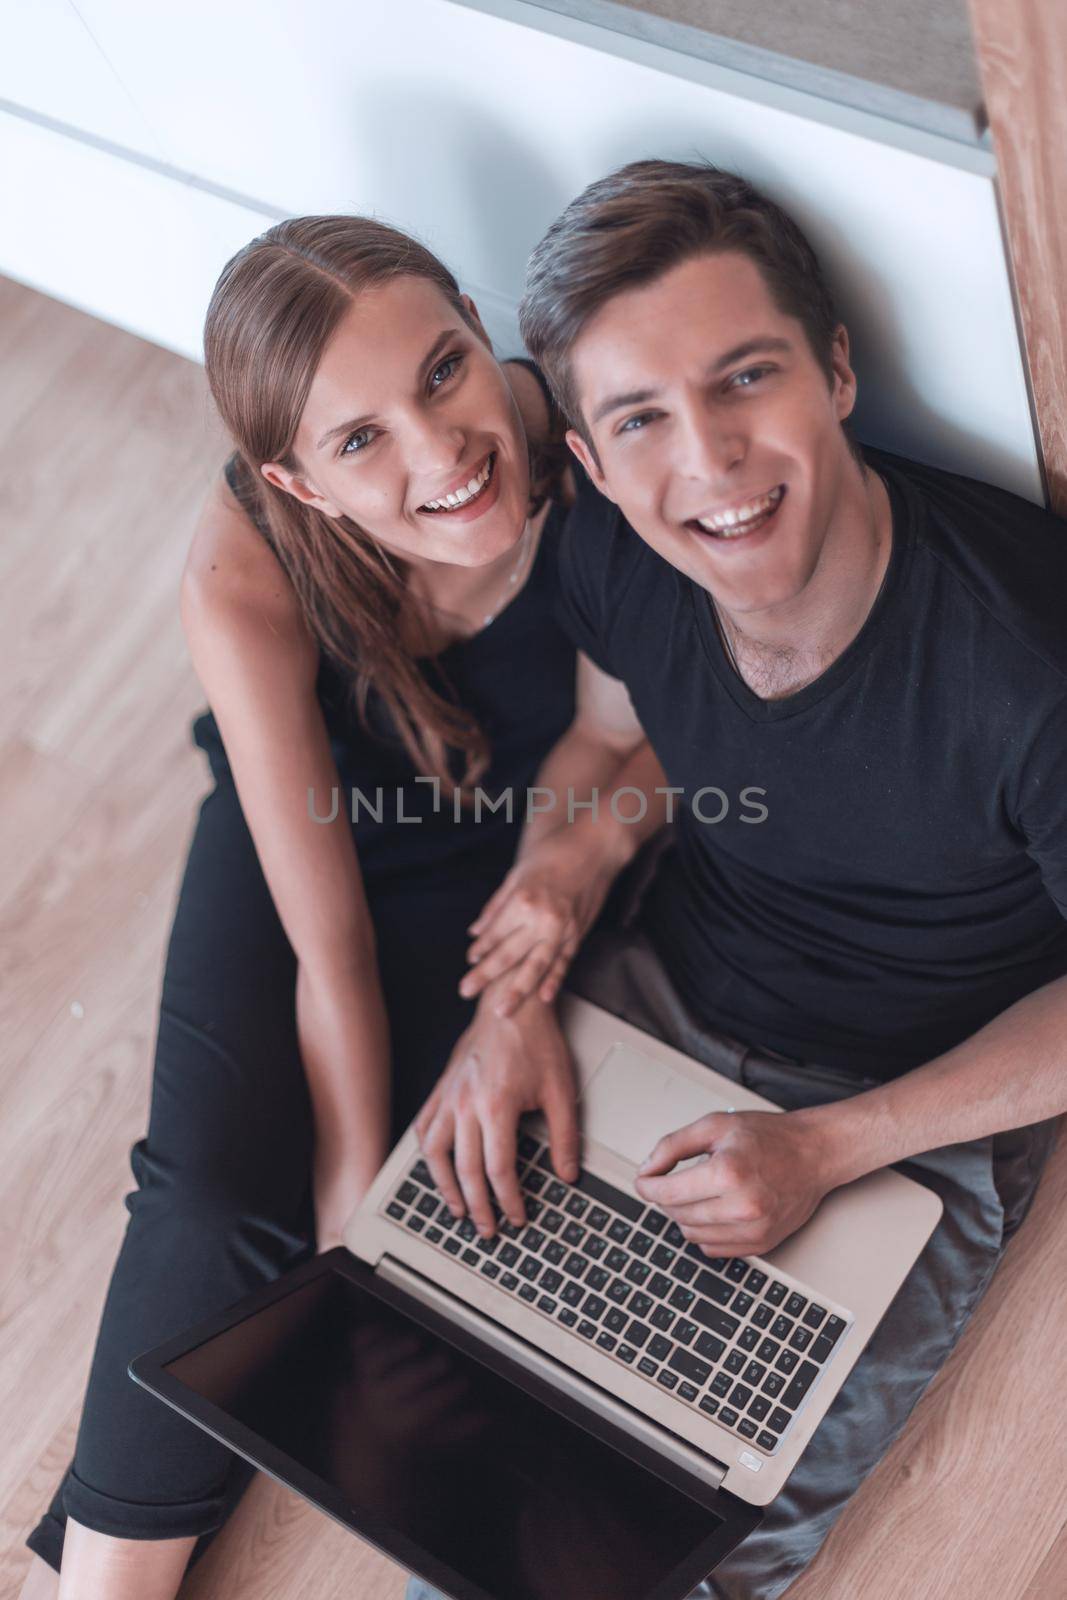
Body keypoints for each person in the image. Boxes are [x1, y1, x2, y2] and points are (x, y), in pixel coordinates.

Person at [410, 159, 1067, 1599]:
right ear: (585, 458)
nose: (705, 462)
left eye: (744, 379)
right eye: (640, 418)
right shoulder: (611, 554)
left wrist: (830, 1147)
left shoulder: (1029, 660)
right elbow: (606, 730)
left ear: (836, 373)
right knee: (438, 1435)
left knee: (674, 1554)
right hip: (659, 991)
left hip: (913, 1101)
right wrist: (530, 966)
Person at [20, 214, 666, 1600]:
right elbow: (331, 955)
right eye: (359, 439)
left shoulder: (600, 441)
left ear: (479, 329)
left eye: (443, 371)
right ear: (295, 483)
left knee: (434, 1198)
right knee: (208, 1199)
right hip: (311, 836)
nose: (441, 450)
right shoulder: (245, 568)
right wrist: (340, 1255)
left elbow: (636, 742)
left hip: (518, 832)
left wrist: (536, 946)